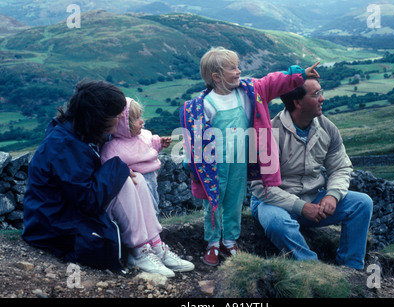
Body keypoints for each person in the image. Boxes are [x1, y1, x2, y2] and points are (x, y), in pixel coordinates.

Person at [23, 81, 193, 277]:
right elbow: (87, 201)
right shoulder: (64, 148)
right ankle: (138, 250)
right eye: (116, 114)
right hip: (52, 225)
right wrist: (117, 167)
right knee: (124, 178)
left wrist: (119, 169)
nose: (121, 117)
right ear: (98, 118)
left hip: (67, 212)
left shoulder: (80, 133)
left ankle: (153, 245)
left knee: (132, 176)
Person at [180, 46, 320, 266]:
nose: (238, 72)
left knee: (235, 201)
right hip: (214, 166)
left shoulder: (248, 91)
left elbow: (272, 82)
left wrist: (299, 75)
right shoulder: (204, 105)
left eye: (238, 67)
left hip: (239, 162)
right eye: (232, 69)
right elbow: (195, 139)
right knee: (213, 204)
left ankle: (229, 241)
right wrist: (194, 167)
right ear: (216, 77)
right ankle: (213, 244)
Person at [250, 77, 373, 270]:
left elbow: (340, 167)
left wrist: (333, 195)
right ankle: (313, 268)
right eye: (316, 94)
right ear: (297, 102)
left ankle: (352, 268)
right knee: (276, 222)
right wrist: (300, 206)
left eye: (320, 92)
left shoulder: (327, 128)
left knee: (362, 203)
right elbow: (261, 187)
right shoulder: (269, 133)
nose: (322, 98)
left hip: (314, 199)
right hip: (274, 203)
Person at [101, 97, 172, 216]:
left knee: (154, 202)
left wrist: (159, 143)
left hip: (151, 178)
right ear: (123, 124)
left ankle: (153, 222)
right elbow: (109, 167)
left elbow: (149, 147)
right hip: (135, 184)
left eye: (140, 116)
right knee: (142, 210)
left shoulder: (144, 136)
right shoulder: (113, 148)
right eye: (136, 118)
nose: (141, 121)